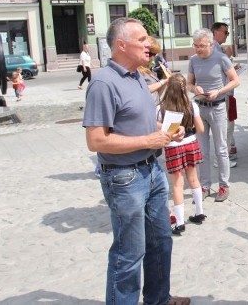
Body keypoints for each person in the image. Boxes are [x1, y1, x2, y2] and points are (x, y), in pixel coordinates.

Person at [83, 17, 190, 305]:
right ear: (121, 45)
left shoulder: (137, 77)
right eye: (142, 39)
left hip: (152, 170)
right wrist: (147, 141)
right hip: (124, 177)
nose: (149, 44)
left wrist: (166, 133)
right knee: (129, 252)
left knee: (160, 242)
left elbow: (139, 124)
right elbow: (96, 141)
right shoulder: (103, 83)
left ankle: (158, 298)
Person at [187, 28, 239, 202]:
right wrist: (195, 89)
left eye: (201, 46)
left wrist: (219, 91)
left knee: (221, 149)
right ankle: (205, 186)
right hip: (200, 108)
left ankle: (224, 185)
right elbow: (189, 84)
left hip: (217, 108)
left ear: (210, 44)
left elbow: (235, 81)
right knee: (202, 150)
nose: (197, 49)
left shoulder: (221, 59)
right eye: (195, 45)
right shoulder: (193, 60)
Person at [158, 73, 207, 235]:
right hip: (191, 143)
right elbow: (201, 129)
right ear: (184, 88)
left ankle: (179, 223)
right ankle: (199, 212)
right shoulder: (192, 105)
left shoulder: (160, 108)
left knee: (177, 185)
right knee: (194, 179)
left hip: (173, 147)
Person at [211, 22, 239, 161]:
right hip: (222, 93)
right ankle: (222, 158)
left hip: (225, 92)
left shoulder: (217, 48)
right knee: (226, 127)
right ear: (216, 32)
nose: (227, 35)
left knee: (228, 125)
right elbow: (217, 68)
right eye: (225, 32)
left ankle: (226, 154)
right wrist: (227, 57)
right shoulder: (214, 48)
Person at [140, 37, 169, 104]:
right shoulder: (136, 70)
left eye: (155, 54)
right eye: (150, 54)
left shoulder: (150, 70)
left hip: (155, 107)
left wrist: (165, 79)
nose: (153, 58)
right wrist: (162, 82)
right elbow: (143, 90)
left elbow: (157, 94)